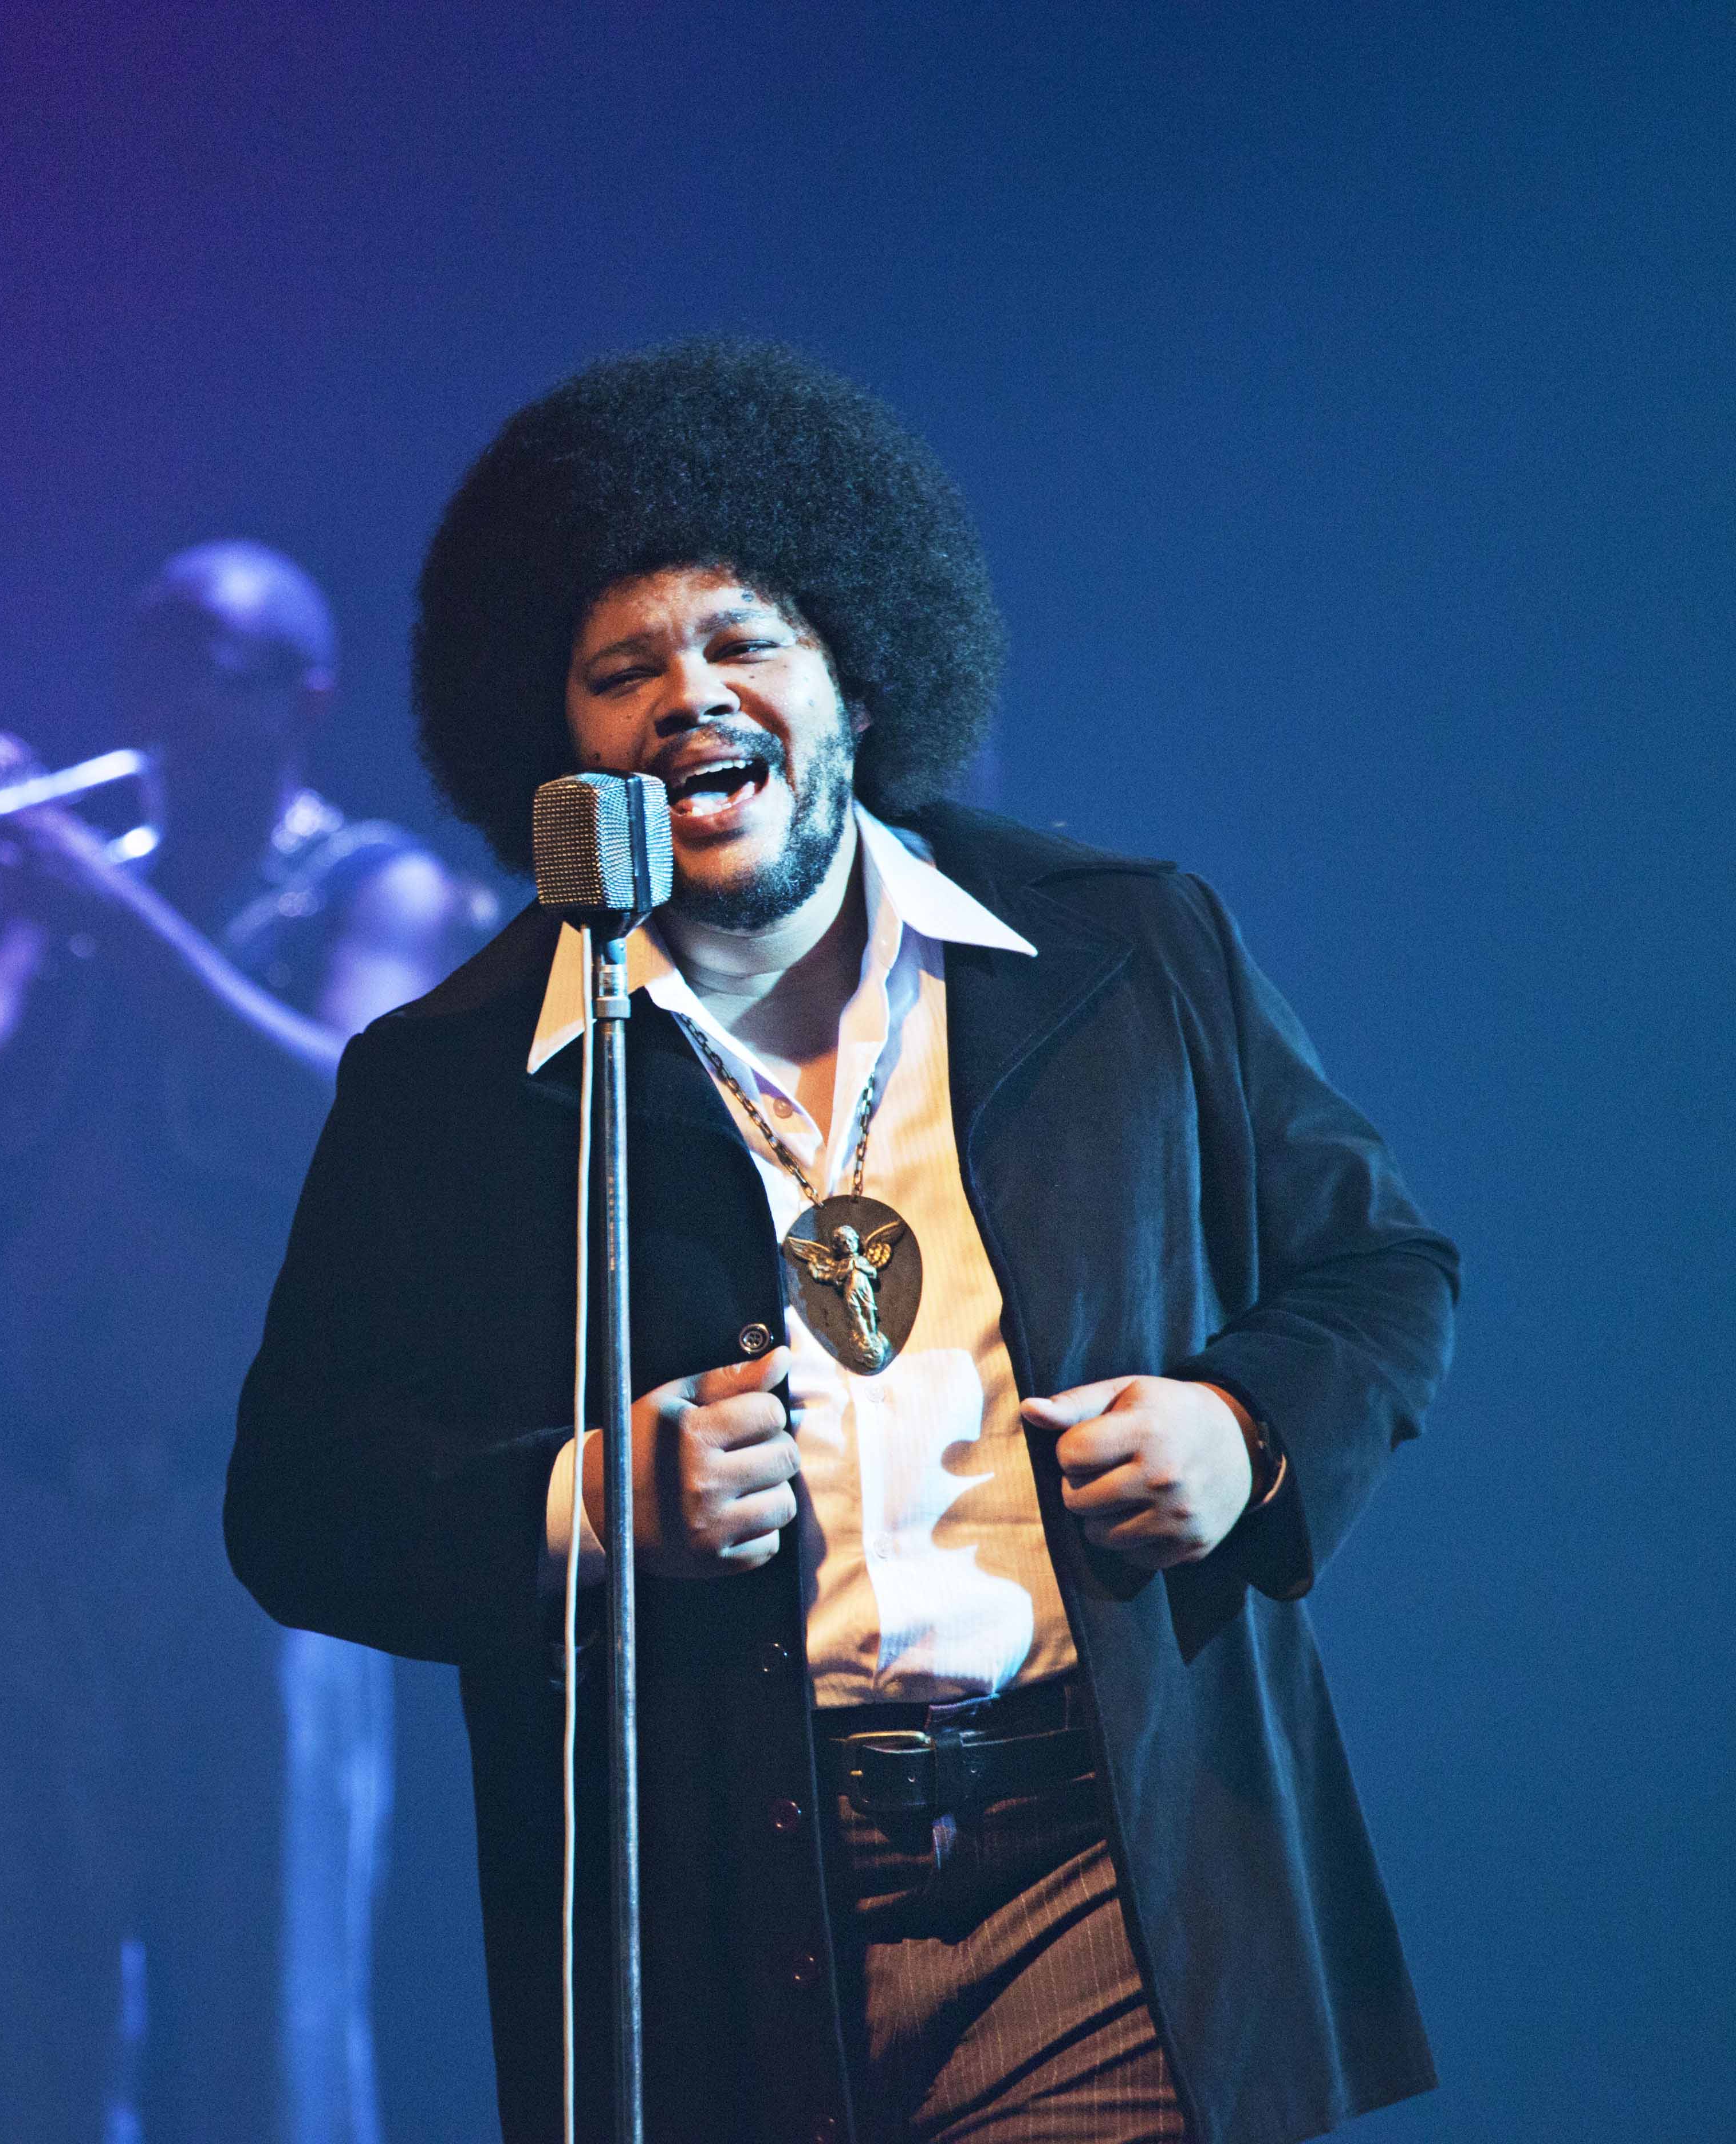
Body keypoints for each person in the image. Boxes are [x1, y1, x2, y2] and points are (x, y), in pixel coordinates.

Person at [227, 342, 1455, 2144]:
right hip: (709, 1929)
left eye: (744, 642)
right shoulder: (454, 1085)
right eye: (622, 670)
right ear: (558, 750)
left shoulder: (1124, 950)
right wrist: (585, 1502)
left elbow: (1381, 1267)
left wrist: (1245, 1429)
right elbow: (296, 1502)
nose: (688, 697)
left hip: (1101, 1877)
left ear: (858, 681)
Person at [0, 543, 492, 2143]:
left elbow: (348, 1112)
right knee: (3, 2003)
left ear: (304, 701)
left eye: (204, 661)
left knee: (262, 1997)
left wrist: (112, 909)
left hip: (259, 1520)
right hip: (38, 1507)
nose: (161, 693)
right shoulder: (82, 905)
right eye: (146, 653)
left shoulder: (377, 888)